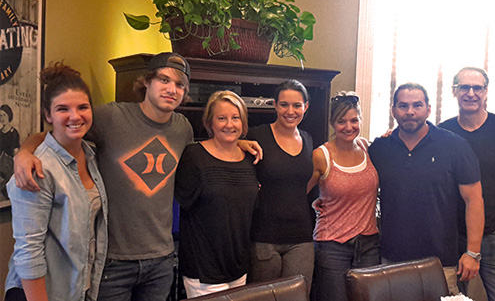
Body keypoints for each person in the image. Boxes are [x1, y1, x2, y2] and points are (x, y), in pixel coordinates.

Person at [12, 52, 262, 300]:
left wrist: (237, 142)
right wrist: (24, 151)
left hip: (162, 261)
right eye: (164, 80)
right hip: (112, 261)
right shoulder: (111, 117)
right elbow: (60, 129)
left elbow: (209, 151)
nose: (171, 89)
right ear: (146, 82)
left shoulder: (183, 127)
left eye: (179, 84)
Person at [368, 83, 485, 295]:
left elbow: (474, 200)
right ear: (393, 110)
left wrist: (473, 252)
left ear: (428, 109)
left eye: (417, 105)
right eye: (403, 106)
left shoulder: (455, 146)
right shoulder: (379, 149)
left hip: (441, 262)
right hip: (391, 260)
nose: (410, 111)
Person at [4, 62, 108, 301]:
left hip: (76, 288)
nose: (75, 116)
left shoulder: (90, 154)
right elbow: (28, 251)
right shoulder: (37, 168)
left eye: (83, 107)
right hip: (40, 293)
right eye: (63, 109)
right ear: (48, 115)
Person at [439, 67, 495, 301]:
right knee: (452, 300)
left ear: (486, 92)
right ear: (454, 91)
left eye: (477, 88)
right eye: (464, 87)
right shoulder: (443, 131)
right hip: (454, 236)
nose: (471, 93)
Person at [174, 91, 259, 298]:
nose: (229, 124)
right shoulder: (194, 156)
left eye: (235, 118)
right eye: (222, 118)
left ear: (243, 122)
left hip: (238, 265)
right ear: (210, 122)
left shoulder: (250, 158)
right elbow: (180, 209)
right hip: (203, 269)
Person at [307, 91, 380, 301]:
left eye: (354, 120)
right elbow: (299, 191)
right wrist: (314, 203)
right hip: (332, 245)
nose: (349, 127)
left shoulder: (369, 148)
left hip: (369, 244)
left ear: (360, 120)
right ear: (332, 123)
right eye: (341, 122)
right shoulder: (322, 155)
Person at [247, 79, 315, 290]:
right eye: (284, 104)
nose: (290, 111)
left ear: (306, 106)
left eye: (297, 105)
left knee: (297, 296)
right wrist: (239, 143)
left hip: (301, 237)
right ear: (274, 105)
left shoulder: (308, 138)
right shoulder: (257, 135)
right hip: (265, 237)